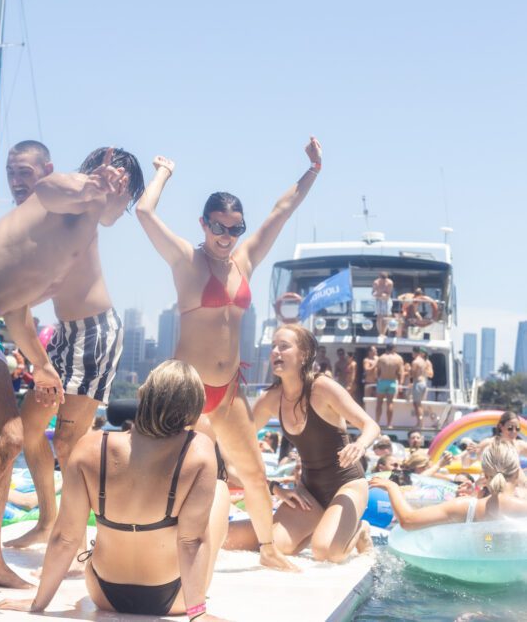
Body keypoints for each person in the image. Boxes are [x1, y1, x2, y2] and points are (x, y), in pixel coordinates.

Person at [0, 147, 136, 607]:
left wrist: (43, 365)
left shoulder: (72, 237)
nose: (120, 200)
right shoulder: (67, 194)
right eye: (122, 189)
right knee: (8, 436)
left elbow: (17, 314)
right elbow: (49, 187)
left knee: (3, 437)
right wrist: (90, 183)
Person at [135, 138, 323, 570]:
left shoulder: (244, 261)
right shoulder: (186, 259)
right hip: (188, 392)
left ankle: (268, 550)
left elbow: (281, 211)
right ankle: (156, 551)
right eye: (218, 227)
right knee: (179, 475)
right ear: (204, 224)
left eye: (234, 229)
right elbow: (144, 213)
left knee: (254, 474)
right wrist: (164, 171)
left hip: (230, 389)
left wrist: (312, 170)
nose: (226, 236)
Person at [0, 360, 230, 620]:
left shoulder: (91, 447)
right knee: (220, 489)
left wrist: (38, 604)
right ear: (195, 408)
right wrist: (197, 614)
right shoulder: (199, 450)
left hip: (104, 594)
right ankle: (197, 605)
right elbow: (191, 542)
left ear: (142, 394)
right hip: (174, 598)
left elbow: (65, 538)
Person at [225, 324, 379, 563]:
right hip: (309, 492)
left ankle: (360, 530)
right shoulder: (269, 400)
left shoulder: (323, 388)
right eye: (273, 347)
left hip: (347, 484)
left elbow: (371, 425)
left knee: (326, 552)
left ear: (304, 354)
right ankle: (319, 527)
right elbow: (235, 445)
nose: (276, 351)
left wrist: (359, 444)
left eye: (284, 346)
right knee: (274, 545)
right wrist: (273, 487)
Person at [371, 441, 527, 529]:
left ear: (485, 475)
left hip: (475, 574)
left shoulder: (466, 507)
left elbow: (408, 521)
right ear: (516, 473)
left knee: (487, 542)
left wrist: (392, 488)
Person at [375, 343, 404, 427]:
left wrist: (377, 379)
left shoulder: (381, 358)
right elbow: (401, 372)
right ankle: (389, 424)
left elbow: (377, 371)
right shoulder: (398, 358)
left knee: (379, 403)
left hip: (382, 381)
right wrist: (401, 384)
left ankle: (377, 422)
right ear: (394, 348)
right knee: (390, 403)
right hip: (392, 382)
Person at [410, 346, 428, 428]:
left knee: (417, 404)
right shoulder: (423, 361)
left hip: (418, 383)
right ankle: (420, 422)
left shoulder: (415, 362)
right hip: (423, 383)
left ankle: (420, 423)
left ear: (414, 352)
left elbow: (412, 374)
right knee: (419, 404)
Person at [372, 272, 393, 336]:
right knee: (379, 316)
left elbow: (388, 294)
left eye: (384, 280)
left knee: (386, 316)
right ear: (379, 278)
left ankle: (383, 333)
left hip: (386, 300)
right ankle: (380, 333)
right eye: (382, 279)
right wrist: (379, 295)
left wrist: (383, 295)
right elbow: (373, 293)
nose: (383, 281)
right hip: (378, 299)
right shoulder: (376, 283)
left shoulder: (389, 283)